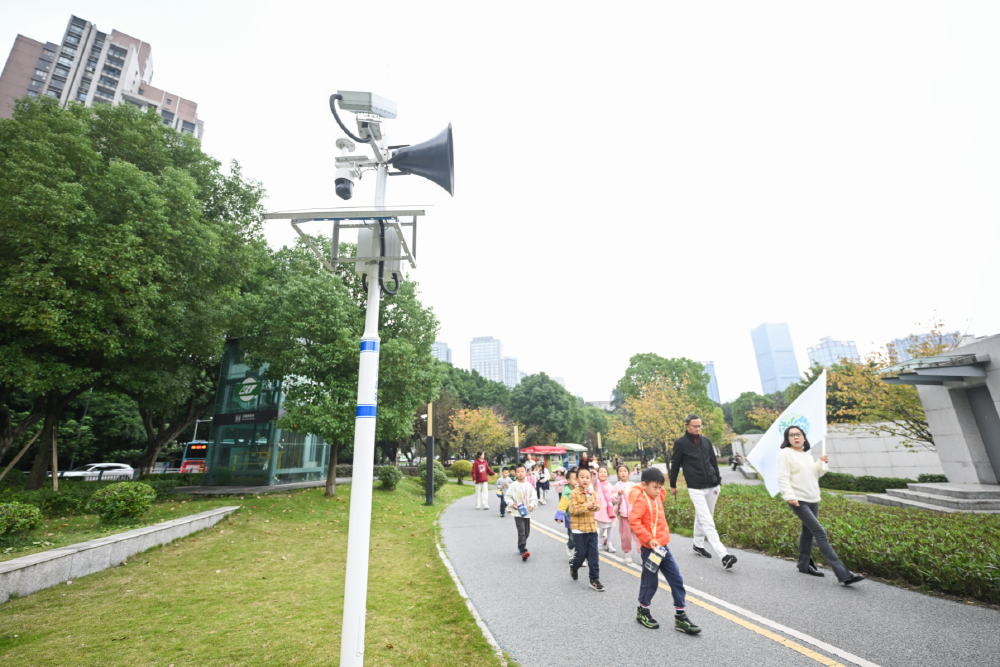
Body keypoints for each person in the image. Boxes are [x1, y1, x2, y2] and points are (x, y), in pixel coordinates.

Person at [778, 426, 865, 586]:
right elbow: (782, 477)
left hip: (813, 498)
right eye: (792, 435)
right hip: (798, 500)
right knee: (820, 533)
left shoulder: (806, 454)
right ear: (787, 439)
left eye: (798, 434)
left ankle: (804, 564)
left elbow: (814, 474)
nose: (796, 437)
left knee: (808, 533)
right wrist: (790, 496)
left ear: (804, 437)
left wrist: (821, 463)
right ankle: (843, 573)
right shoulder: (785, 453)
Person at [629, 467, 700, 634]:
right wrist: (648, 538)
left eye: (659, 487)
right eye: (654, 487)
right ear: (644, 485)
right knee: (650, 582)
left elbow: (663, 491)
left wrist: (660, 486)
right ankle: (643, 611)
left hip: (662, 548)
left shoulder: (657, 497)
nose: (658, 490)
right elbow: (634, 521)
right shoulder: (641, 501)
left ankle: (681, 617)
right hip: (650, 550)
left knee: (676, 579)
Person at [669, 414, 736, 570]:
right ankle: (724, 555)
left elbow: (713, 461)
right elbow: (675, 464)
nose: (698, 428)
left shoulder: (706, 441)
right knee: (707, 521)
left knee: (704, 516)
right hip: (695, 487)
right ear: (687, 425)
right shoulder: (681, 443)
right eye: (695, 426)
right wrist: (672, 484)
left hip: (712, 485)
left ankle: (698, 544)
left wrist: (718, 479)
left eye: (700, 426)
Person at [569, 467, 605, 592]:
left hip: (591, 528)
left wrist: (595, 507)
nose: (585, 480)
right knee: (581, 554)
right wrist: (586, 506)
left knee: (593, 555)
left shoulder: (591, 492)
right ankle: (574, 566)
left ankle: (594, 579)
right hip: (579, 530)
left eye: (587, 478)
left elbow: (598, 506)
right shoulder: (574, 493)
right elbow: (573, 509)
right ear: (577, 479)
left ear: (590, 479)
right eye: (582, 477)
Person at [504, 464, 538, 561]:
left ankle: (520, 545)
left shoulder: (529, 485)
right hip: (517, 512)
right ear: (515, 474)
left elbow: (534, 498)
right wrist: (512, 504)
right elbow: (507, 497)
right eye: (518, 472)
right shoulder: (513, 485)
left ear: (526, 473)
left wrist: (532, 505)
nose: (520, 473)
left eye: (522, 471)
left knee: (526, 532)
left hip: (527, 512)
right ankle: (523, 549)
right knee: (521, 531)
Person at [611, 464, 638, 564]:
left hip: (635, 515)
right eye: (620, 471)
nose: (623, 473)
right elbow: (613, 500)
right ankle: (626, 553)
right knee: (625, 536)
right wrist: (618, 495)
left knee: (638, 535)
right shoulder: (617, 486)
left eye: (625, 471)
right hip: (624, 515)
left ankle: (642, 553)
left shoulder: (633, 485)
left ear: (629, 473)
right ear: (618, 474)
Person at [556, 468, 579, 559]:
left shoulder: (582, 490)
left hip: (581, 518)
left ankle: (579, 557)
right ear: (568, 480)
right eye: (575, 479)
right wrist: (559, 516)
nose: (577, 481)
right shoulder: (566, 494)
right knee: (572, 539)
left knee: (580, 539)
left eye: (578, 478)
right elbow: (562, 506)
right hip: (571, 519)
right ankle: (570, 546)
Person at [593, 466, 616, 553]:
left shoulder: (610, 485)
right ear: (598, 474)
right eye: (600, 472)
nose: (602, 473)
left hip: (609, 509)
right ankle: (599, 543)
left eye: (604, 472)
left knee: (610, 527)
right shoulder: (597, 484)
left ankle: (609, 544)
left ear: (608, 475)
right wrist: (594, 475)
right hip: (602, 509)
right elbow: (593, 481)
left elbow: (613, 496)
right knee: (603, 527)